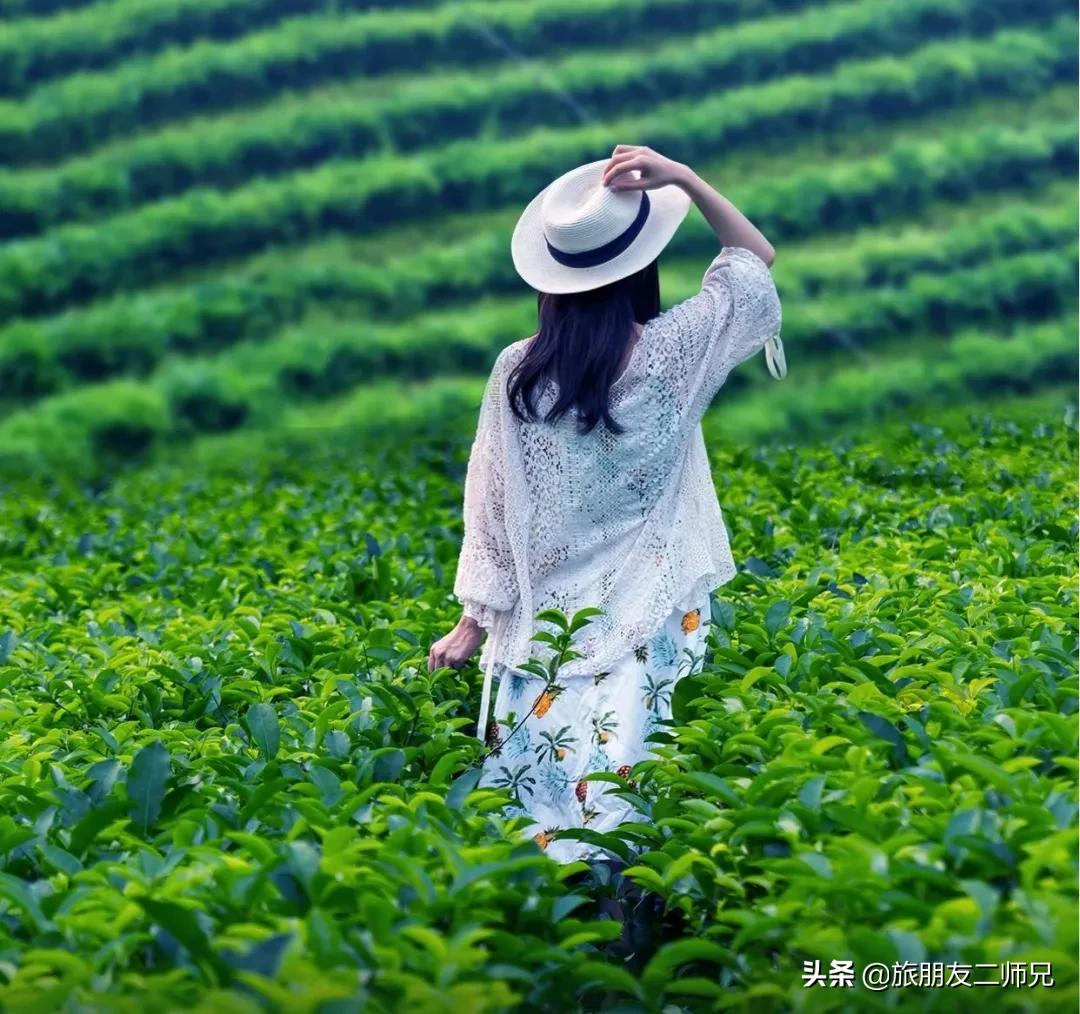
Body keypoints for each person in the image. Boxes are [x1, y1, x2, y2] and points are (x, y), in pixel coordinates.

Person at [428, 144, 785, 866]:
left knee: (534, 823)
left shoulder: (518, 372)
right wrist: (683, 180)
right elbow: (754, 261)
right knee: (632, 818)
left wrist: (474, 622)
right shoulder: (676, 351)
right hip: (652, 618)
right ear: (640, 270)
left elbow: (492, 508)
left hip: (541, 631)